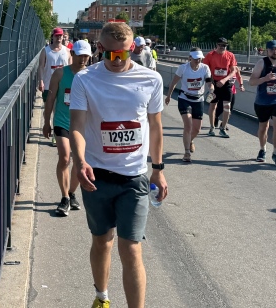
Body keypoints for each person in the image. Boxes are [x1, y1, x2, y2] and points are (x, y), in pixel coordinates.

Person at [69, 22, 168, 308]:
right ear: (100, 48)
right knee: (102, 241)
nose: (116, 59)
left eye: (122, 54)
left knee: (131, 248)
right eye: (110, 54)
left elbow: (156, 127)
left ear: (132, 49)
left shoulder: (150, 79)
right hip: (96, 175)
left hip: (133, 178)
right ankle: (102, 297)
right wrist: (80, 161)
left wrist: (158, 170)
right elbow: (77, 125)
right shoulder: (85, 79)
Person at [44, 40, 92, 216]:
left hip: (82, 125)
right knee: (64, 158)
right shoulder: (60, 73)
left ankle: (71, 193)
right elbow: (50, 98)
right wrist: (46, 122)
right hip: (62, 121)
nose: (83, 59)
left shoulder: (91, 75)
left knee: (79, 161)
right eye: (80, 55)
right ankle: (64, 197)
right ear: (72, 54)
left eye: (86, 56)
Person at [165, 48, 213, 162]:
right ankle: (187, 153)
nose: (198, 60)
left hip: (198, 99)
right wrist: (168, 96)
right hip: (184, 98)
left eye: (200, 58)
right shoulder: (183, 68)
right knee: (188, 125)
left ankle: (190, 140)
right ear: (190, 58)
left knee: (197, 129)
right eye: (196, 58)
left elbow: (209, 82)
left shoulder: (205, 68)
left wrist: (211, 89)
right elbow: (174, 82)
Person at [38, 28, 72, 146]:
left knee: (59, 110)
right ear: (52, 37)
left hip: (63, 86)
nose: (59, 38)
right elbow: (41, 67)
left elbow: (71, 68)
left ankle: (56, 135)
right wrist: (41, 81)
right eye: (56, 36)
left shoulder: (67, 51)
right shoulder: (46, 51)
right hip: (48, 85)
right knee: (51, 109)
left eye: (60, 36)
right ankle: (54, 131)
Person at [203, 38, 238, 138]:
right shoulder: (210, 55)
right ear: (216, 45)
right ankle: (212, 127)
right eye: (220, 45)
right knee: (213, 106)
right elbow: (205, 70)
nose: (222, 47)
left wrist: (224, 80)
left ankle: (223, 128)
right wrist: (210, 83)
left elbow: (234, 71)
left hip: (226, 84)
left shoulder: (230, 55)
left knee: (227, 107)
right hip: (214, 84)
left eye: (224, 45)